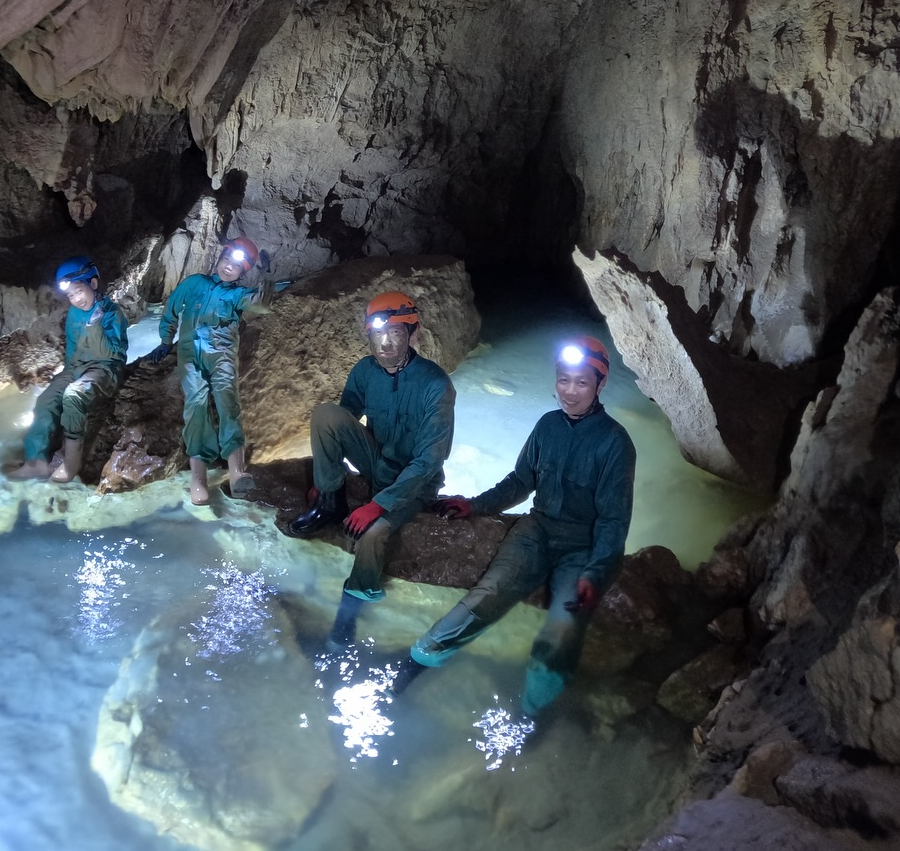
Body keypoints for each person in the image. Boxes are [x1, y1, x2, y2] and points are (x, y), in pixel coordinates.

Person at [397, 335, 636, 718]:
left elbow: (614, 518)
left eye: (582, 383)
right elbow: (521, 481)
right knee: (487, 593)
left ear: (600, 384)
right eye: (563, 380)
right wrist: (473, 505)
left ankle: (536, 707)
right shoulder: (547, 426)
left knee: (564, 624)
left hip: (582, 545)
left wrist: (597, 571)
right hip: (537, 530)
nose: (570, 392)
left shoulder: (615, 443)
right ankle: (420, 657)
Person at [290, 292, 456, 647]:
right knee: (325, 414)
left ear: (413, 333)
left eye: (395, 332)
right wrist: (325, 478)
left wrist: (378, 505)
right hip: (378, 459)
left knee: (374, 534)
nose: (385, 342)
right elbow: (344, 419)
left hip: (416, 482)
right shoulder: (365, 370)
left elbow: (430, 461)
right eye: (377, 334)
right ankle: (330, 504)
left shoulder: (435, 384)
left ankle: (352, 603)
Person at [146, 237, 275, 505]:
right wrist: (165, 340)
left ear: (243, 272)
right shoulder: (195, 283)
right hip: (190, 353)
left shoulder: (236, 295)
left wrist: (267, 275)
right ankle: (198, 477)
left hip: (222, 354)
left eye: (236, 266)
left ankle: (237, 470)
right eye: (226, 260)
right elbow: (172, 308)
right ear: (219, 258)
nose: (228, 267)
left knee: (227, 399)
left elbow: (261, 304)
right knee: (196, 404)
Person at [4, 258, 128, 482]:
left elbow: (113, 353)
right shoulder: (74, 314)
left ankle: (71, 462)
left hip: (105, 368)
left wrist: (95, 328)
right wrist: (64, 376)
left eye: (79, 291)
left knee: (74, 395)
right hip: (77, 367)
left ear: (93, 283)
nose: (76, 299)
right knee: (46, 400)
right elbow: (73, 349)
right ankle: (35, 462)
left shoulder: (112, 313)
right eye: (71, 295)